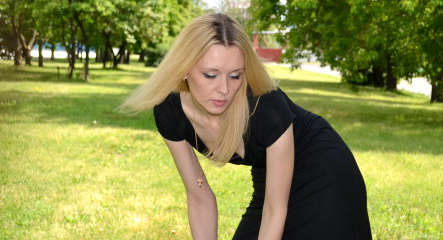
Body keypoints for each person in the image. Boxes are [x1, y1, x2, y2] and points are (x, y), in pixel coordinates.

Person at [120, 13, 372, 239]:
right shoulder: (169, 112)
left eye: (235, 75)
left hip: (322, 171)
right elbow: (199, 195)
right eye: (210, 75)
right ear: (184, 68)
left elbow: (275, 210)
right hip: (268, 178)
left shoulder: (265, 106)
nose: (224, 89)